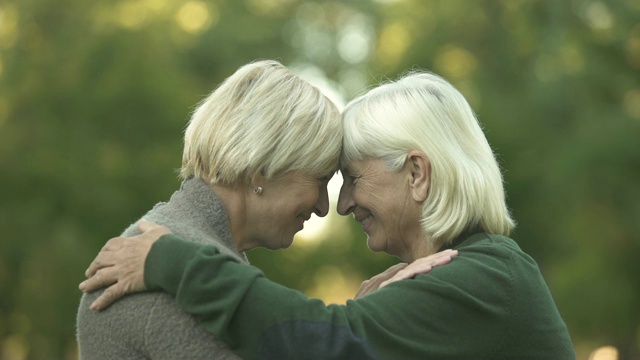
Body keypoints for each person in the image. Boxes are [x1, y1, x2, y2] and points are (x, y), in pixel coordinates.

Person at [80, 71, 576, 359]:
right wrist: (372, 316)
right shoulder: (476, 274)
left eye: (351, 179)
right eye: (325, 180)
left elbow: (319, 343)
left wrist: (174, 261)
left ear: (418, 174)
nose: (337, 205)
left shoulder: (486, 277)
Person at [76, 60, 344, 359]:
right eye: (320, 180)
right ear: (262, 171)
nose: (323, 207)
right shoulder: (163, 271)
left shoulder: (190, 251)